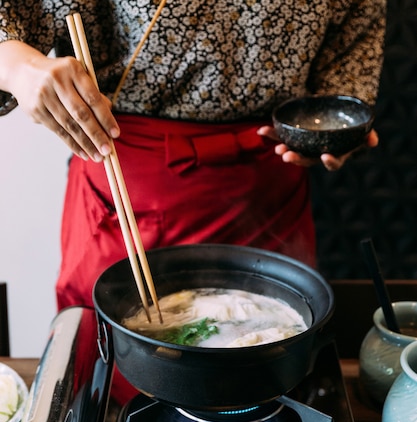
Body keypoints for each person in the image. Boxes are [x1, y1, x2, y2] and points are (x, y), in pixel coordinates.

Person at [0, 1, 386, 313]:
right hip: (125, 177)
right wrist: (19, 66)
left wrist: (331, 131)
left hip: (269, 186)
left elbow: (354, 44)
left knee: (268, 348)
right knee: (116, 356)